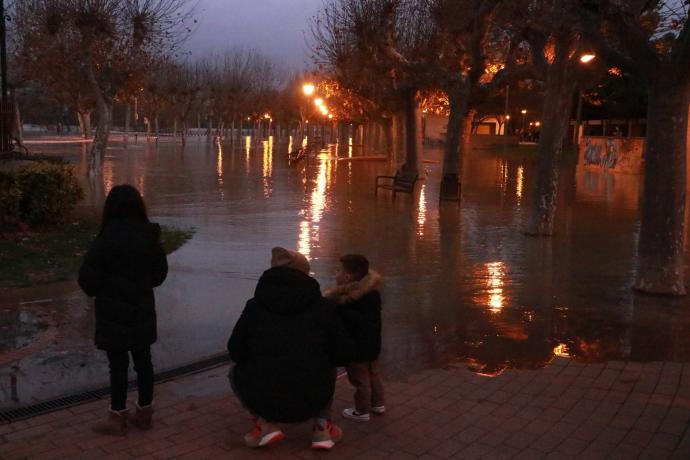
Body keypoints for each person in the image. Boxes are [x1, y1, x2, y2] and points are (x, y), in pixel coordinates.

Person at [227, 247, 354, 450]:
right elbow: (343, 352)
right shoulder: (323, 307)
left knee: (233, 372)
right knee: (327, 366)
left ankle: (264, 424)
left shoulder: (254, 306)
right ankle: (321, 429)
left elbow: (235, 349)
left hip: (263, 396)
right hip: (313, 393)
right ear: (304, 273)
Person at [78, 185, 168, 436]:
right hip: (142, 311)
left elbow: (88, 282)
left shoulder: (104, 241)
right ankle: (145, 413)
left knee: (117, 366)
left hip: (112, 314)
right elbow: (159, 275)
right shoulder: (150, 237)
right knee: (144, 363)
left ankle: (117, 418)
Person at [324, 254, 384, 422]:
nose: (336, 273)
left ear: (347, 276)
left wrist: (334, 306)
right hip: (373, 344)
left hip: (356, 347)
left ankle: (362, 411)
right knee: (374, 374)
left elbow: (347, 321)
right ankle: (378, 404)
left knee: (360, 380)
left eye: (338, 270)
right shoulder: (372, 293)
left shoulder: (346, 301)